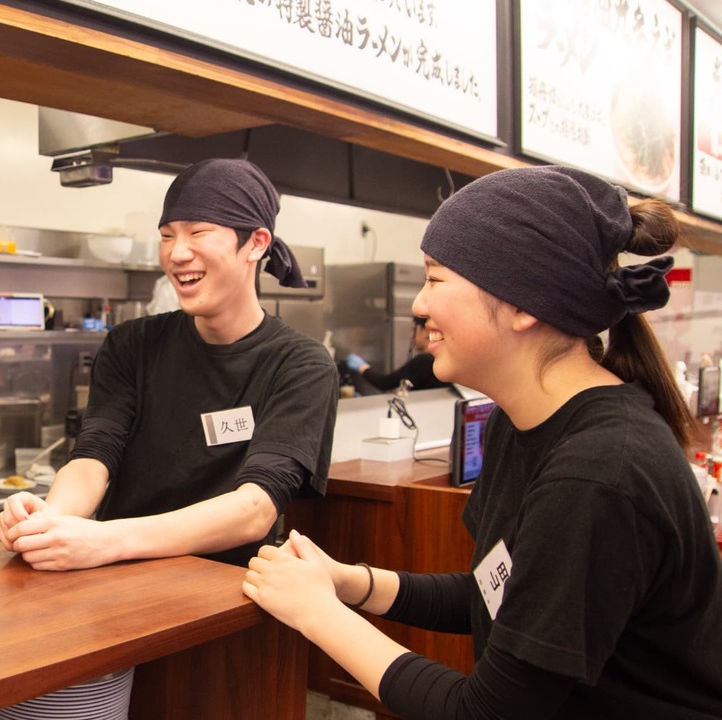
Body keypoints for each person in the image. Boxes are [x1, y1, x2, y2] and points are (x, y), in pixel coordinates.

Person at [243, 166, 722, 718]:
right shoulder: (516, 426)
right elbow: (495, 596)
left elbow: (486, 713)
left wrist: (319, 614)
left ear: (524, 304)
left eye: (437, 278)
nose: (419, 306)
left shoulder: (597, 472)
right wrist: (352, 582)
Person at [0, 158, 339, 718]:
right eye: (167, 236)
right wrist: (50, 522)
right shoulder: (134, 344)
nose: (178, 253)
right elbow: (94, 455)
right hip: (119, 606)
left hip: (228, 615)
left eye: (199, 233)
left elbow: (255, 509)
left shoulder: (300, 364)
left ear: (256, 243)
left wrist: (100, 541)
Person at [344, 316, 449, 393]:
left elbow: (385, 383)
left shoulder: (425, 361)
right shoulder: (442, 359)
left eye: (414, 330)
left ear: (426, 331)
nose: (411, 335)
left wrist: (362, 367)